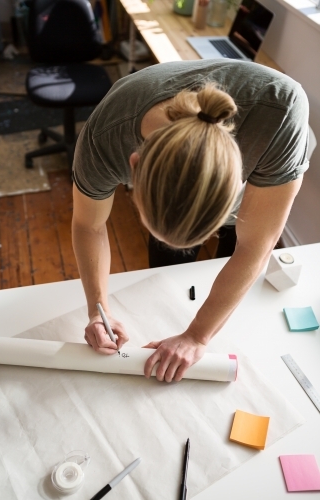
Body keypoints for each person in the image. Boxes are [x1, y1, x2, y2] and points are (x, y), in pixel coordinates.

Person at [72, 59, 309, 383]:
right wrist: (97, 310)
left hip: (272, 157)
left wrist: (198, 336)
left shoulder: (281, 112)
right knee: (167, 269)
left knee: (235, 254)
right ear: (134, 165)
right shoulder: (104, 140)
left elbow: (256, 244)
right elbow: (89, 225)